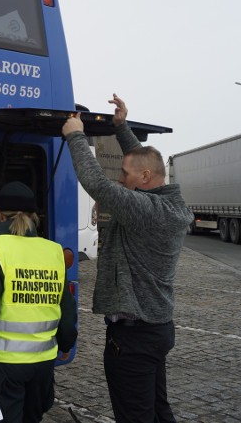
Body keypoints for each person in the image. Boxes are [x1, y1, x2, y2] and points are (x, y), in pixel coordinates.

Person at [61, 94, 194, 423]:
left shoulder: (145, 210)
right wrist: (121, 127)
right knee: (158, 412)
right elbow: (141, 162)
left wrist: (76, 135)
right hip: (155, 330)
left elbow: (98, 185)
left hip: (134, 339)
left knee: (135, 416)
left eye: (126, 174)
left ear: (146, 178)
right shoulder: (170, 205)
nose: (122, 178)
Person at [0, 181, 78, 423]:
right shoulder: (53, 251)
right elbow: (66, 308)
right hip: (42, 365)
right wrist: (66, 343)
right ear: (33, 216)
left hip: (5, 367)